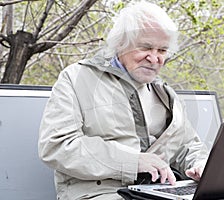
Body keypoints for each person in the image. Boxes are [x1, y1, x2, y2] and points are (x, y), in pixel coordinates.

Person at [38, 1, 208, 199]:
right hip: (98, 193)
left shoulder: (164, 92)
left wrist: (200, 163)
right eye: (146, 47)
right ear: (120, 44)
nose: (154, 58)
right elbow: (56, 146)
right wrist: (131, 162)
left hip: (157, 192)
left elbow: (187, 145)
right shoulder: (77, 78)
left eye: (162, 51)